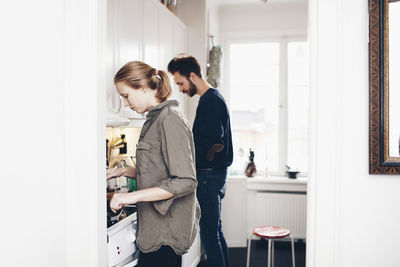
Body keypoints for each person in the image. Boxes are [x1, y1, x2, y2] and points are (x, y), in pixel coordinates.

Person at [107, 60, 200, 267]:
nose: (126, 103)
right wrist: (120, 171)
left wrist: (129, 196)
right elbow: (156, 170)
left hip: (165, 233)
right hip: (154, 230)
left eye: (126, 95)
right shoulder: (155, 118)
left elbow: (185, 180)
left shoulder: (169, 119)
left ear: (143, 87)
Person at [168, 55, 233, 267]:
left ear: (193, 76)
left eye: (180, 82)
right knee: (214, 230)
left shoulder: (211, 101)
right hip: (215, 174)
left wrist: (188, 160)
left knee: (209, 234)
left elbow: (214, 143)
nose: (180, 88)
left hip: (209, 176)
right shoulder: (211, 98)